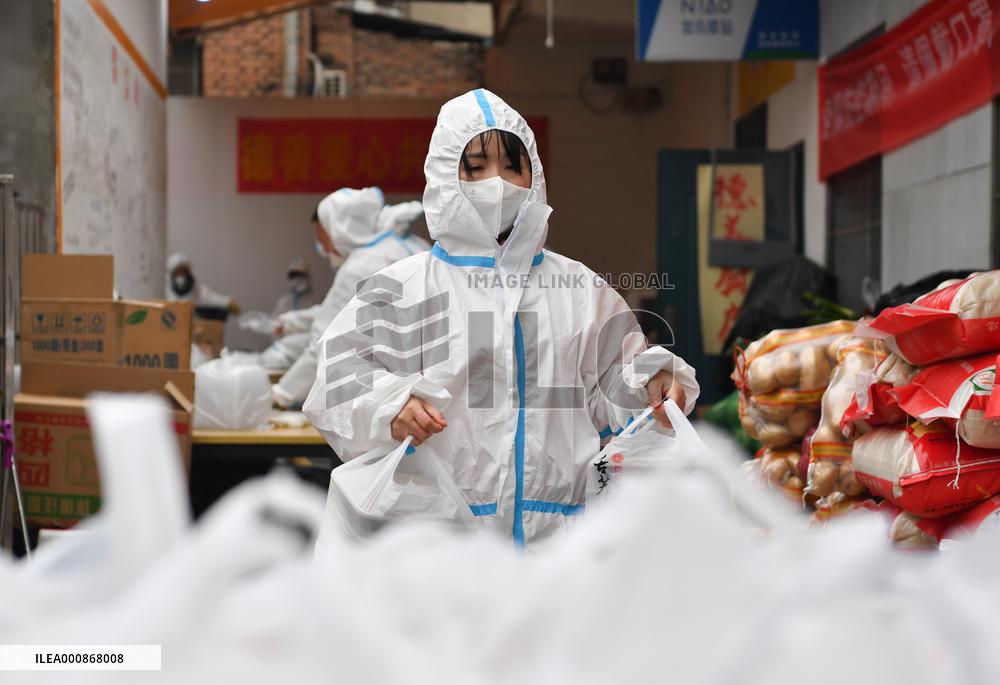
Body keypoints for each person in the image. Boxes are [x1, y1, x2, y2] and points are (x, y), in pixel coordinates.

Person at [304, 89, 699, 546]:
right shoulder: (405, 288)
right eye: (476, 168)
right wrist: (389, 407)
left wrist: (652, 383)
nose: (498, 183)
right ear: (444, 175)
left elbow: (615, 380)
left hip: (557, 545)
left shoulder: (579, 289)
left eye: (513, 167)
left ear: (536, 177)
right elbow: (338, 376)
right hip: (439, 546)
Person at [272, 189, 429, 407]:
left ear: (340, 230)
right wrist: (291, 322)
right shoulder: (412, 245)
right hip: (430, 379)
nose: (323, 248)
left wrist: (282, 393)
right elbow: (345, 311)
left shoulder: (361, 266)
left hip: (395, 391)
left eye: (322, 238)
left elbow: (326, 341)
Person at [165, 252, 239, 313]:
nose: (181, 275)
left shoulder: (196, 290)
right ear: (172, 273)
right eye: (178, 272)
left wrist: (227, 302)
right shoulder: (166, 289)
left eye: (184, 271)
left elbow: (211, 298)